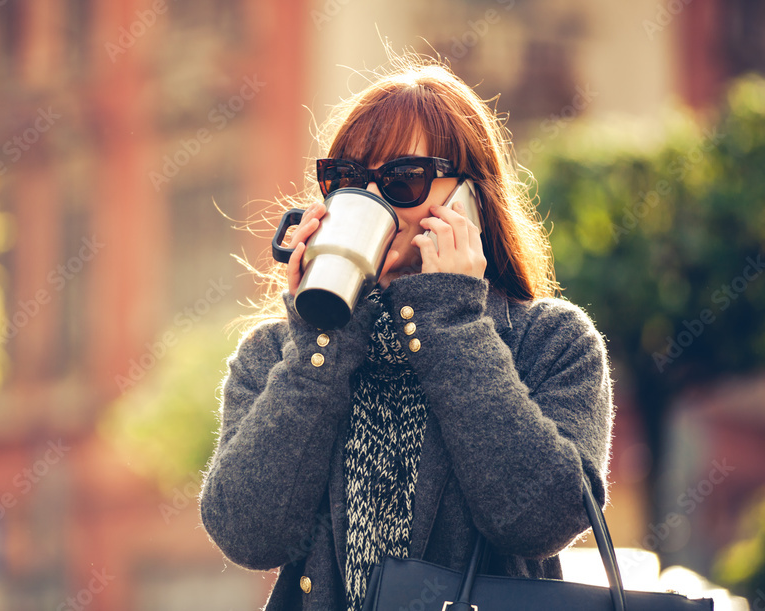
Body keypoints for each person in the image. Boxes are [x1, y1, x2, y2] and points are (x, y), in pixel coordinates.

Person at [198, 55, 614, 611]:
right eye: (346, 179)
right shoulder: (279, 352)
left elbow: (540, 519)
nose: (369, 199)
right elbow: (247, 534)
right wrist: (323, 335)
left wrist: (451, 320)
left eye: (402, 179)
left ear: (468, 200)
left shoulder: (550, 342)